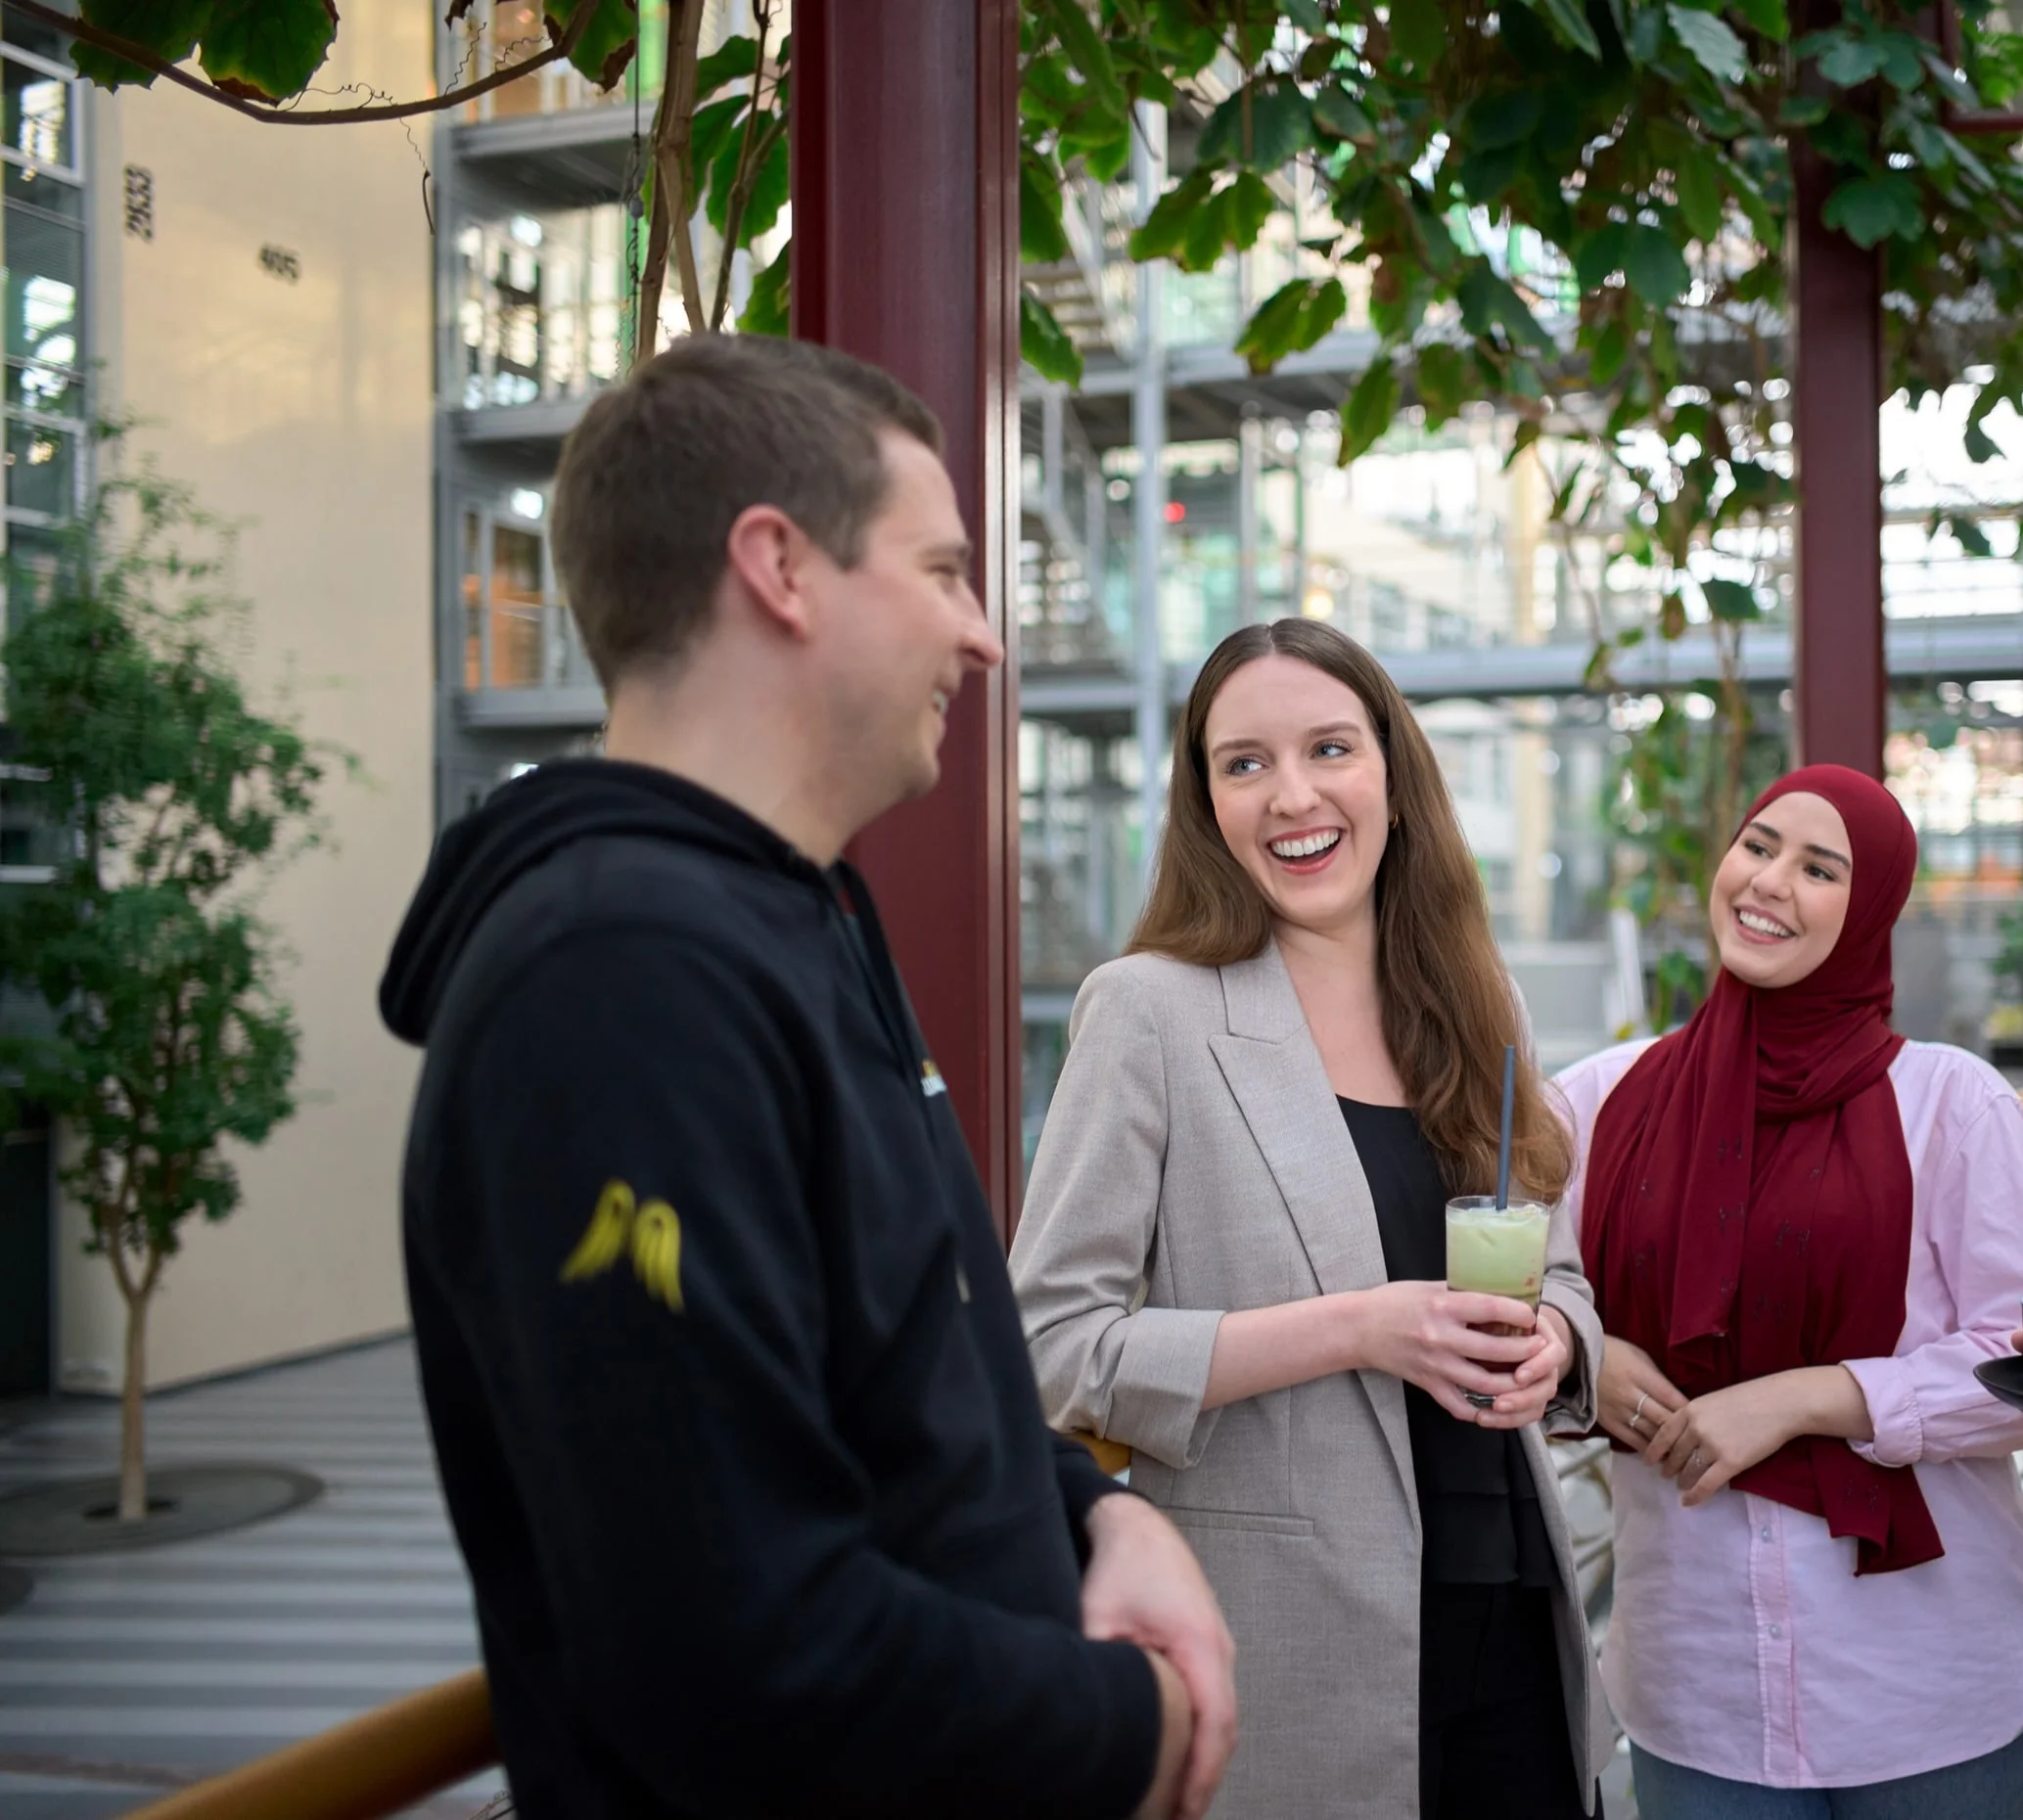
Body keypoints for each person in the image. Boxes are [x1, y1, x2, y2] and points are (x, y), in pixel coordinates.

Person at [379, 335, 1235, 1820]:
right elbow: (735, 1649)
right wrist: (1132, 1725)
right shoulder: (617, 980)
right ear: (780, 566)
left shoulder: (789, 915)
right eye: (946, 570)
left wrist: (1099, 1518)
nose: (985, 637)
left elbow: (906, 1375)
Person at [1009, 618, 1602, 1820]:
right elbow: (1049, 1352)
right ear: (1205, 802)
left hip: (1516, 1613)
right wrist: (1355, 1329)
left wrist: (1561, 1348)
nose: (1292, 796)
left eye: (1328, 747)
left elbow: (1566, 1278)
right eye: (1243, 763)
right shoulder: (1148, 1015)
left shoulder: (1476, 1010)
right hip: (1297, 1650)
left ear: (1391, 771)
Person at [1560, 762, 2023, 1819]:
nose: (1767, 884)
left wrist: (1811, 1397)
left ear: (1873, 911)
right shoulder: (1596, 1102)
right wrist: (1585, 1353)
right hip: (1697, 1687)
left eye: (1820, 869)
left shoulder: (1951, 1104)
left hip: (1929, 1688)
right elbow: (1507, 1296)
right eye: (1757, 846)